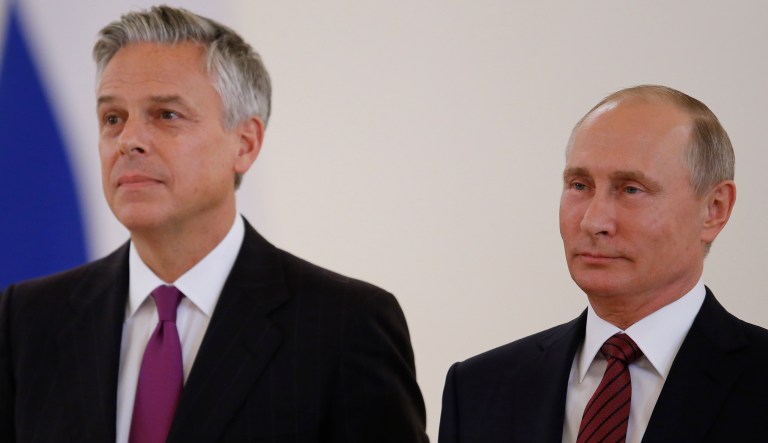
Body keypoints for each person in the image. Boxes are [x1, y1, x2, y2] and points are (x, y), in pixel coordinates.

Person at [0, 6, 428, 443]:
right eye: (113, 118)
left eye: (166, 114)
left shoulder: (344, 326)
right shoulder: (28, 320)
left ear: (245, 144)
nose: (128, 140)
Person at [438, 85, 768, 442]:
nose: (593, 222)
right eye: (579, 185)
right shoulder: (478, 388)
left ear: (714, 209)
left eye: (631, 189)